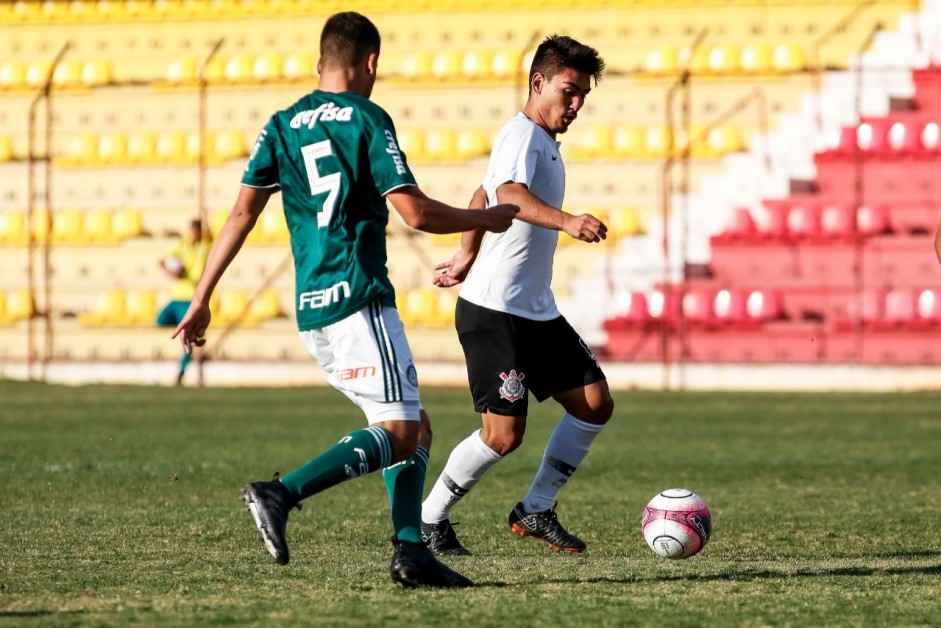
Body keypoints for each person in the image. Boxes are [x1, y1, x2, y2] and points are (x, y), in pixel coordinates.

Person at [171, 12, 518, 588]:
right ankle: (279, 493)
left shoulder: (281, 124)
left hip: (313, 307)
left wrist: (202, 296)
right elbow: (416, 212)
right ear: (371, 63)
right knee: (403, 431)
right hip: (359, 295)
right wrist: (487, 217)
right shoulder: (365, 118)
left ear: (318, 64)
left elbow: (240, 214)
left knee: (414, 427)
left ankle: (412, 551)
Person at [420, 34, 613, 556]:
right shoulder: (522, 134)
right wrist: (569, 220)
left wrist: (466, 252)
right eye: (568, 92)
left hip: (534, 310)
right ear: (539, 82)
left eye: (582, 98)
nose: (574, 106)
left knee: (594, 404)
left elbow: (482, 194)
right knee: (504, 435)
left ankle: (536, 509)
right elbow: (508, 196)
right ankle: (428, 519)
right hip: (494, 312)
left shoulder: (542, 142)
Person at [156, 217, 211, 385]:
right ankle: (181, 329)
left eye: (196, 231)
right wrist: (171, 271)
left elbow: (213, 237)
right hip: (176, 297)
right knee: (159, 320)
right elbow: (162, 261)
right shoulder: (182, 246)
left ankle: (181, 371)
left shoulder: (205, 247)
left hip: (191, 299)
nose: (193, 234)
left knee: (188, 340)